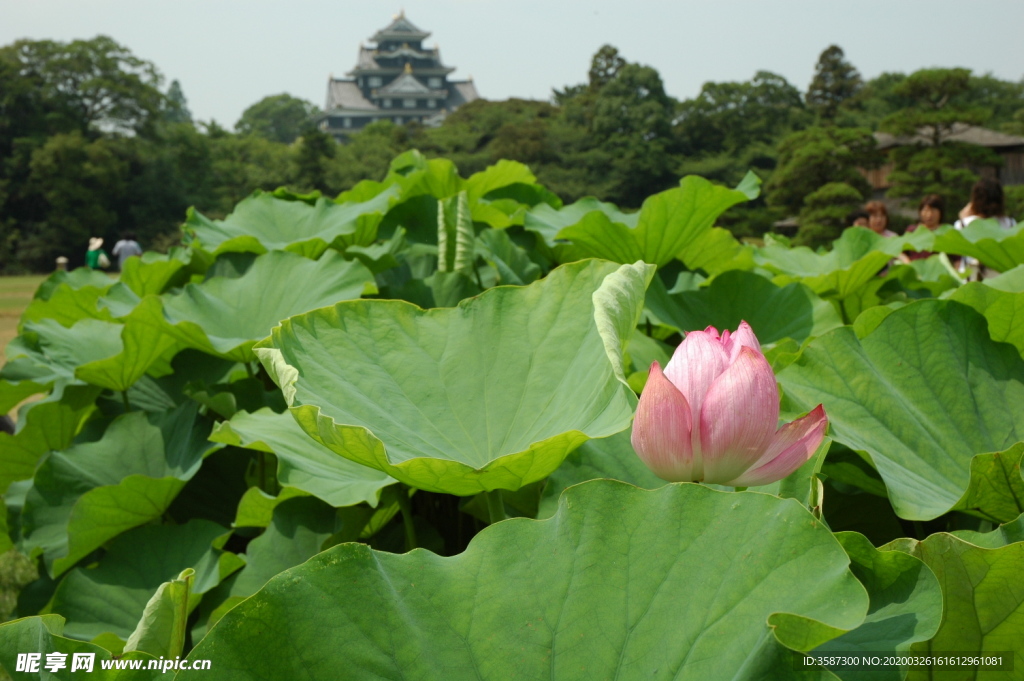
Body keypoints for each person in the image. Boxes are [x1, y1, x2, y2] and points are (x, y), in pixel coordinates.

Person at [903, 194, 946, 262]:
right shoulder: (912, 230)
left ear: (940, 212)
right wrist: (908, 263)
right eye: (926, 210)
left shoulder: (946, 232)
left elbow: (957, 258)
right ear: (920, 212)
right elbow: (900, 251)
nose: (929, 214)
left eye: (933, 210)